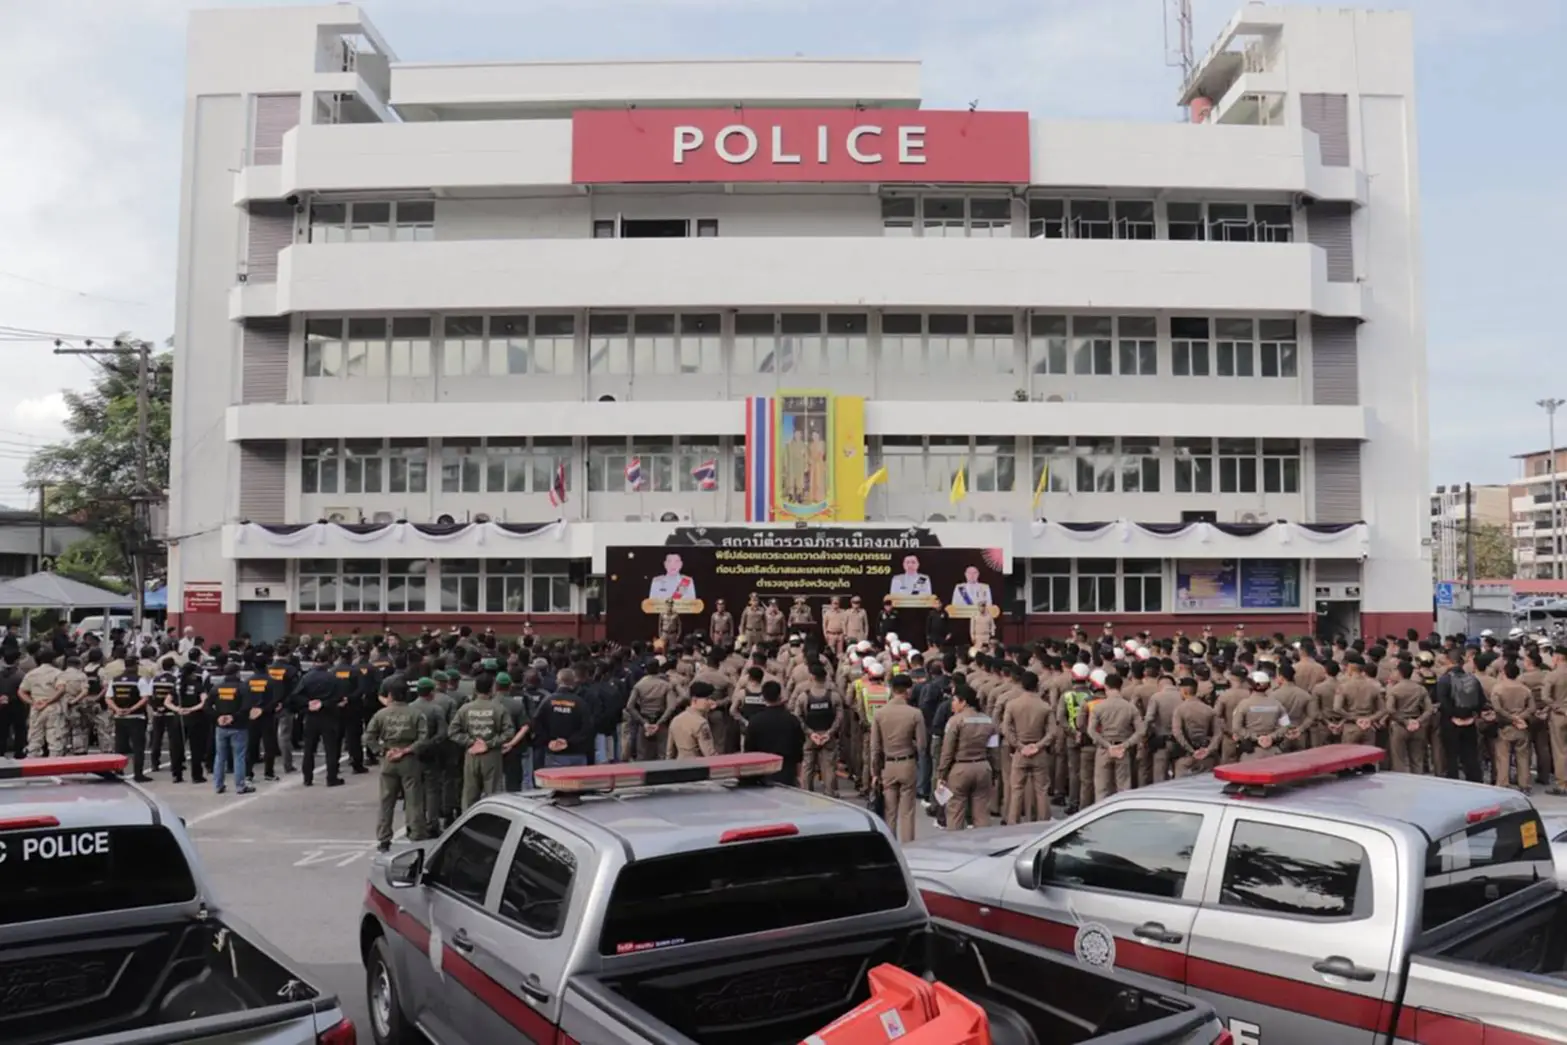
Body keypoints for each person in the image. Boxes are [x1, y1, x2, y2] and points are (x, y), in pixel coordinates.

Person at [364, 678, 431, 850]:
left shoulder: (381, 714)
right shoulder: (416, 714)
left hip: (389, 758)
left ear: (390, 695)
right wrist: (408, 750)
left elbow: (368, 737)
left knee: (386, 800)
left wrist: (382, 750)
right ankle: (416, 834)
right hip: (409, 759)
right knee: (414, 800)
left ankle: (384, 838)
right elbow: (424, 739)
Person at [871, 673, 926, 841]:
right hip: (907, 762)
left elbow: (875, 747)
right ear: (908, 691)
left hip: (888, 765)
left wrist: (875, 772)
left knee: (890, 811)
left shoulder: (880, 714)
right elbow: (922, 745)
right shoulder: (915, 713)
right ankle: (909, 846)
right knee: (907, 812)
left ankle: (891, 845)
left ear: (892, 690)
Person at [447, 673, 514, 810]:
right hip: (492, 756)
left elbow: (452, 732)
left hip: (471, 755)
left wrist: (471, 742)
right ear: (492, 689)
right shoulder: (499, 708)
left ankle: (468, 820)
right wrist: (489, 744)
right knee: (494, 795)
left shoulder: (465, 709)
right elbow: (509, 733)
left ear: (476, 689)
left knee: (470, 795)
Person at [936, 683, 996, 830]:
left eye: (954, 700)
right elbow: (994, 750)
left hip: (960, 769)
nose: (952, 704)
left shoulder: (955, 721)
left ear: (963, 702)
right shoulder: (988, 720)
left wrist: (941, 775)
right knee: (982, 813)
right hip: (983, 767)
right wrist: (994, 771)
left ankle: (956, 843)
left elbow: (947, 751)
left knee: (955, 812)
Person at [1001, 670, 1051, 824]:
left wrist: (1019, 746)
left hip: (1020, 752)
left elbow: (1006, 729)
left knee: (1016, 790)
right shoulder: (1045, 706)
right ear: (1037, 685)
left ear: (1022, 685)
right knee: (1042, 790)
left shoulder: (1012, 704)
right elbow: (1052, 732)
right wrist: (1038, 745)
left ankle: (1013, 824)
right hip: (1039, 753)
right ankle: (1044, 824)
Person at [1087, 672, 1144, 799]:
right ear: (1120, 687)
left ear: (1105, 686)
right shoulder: (1130, 707)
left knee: (1102, 789)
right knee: (1123, 788)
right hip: (1123, 750)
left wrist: (1107, 746)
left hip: (1104, 749)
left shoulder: (1099, 707)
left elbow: (1091, 731)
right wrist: (1125, 745)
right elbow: (1141, 731)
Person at [293, 654, 344, 788]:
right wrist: (324, 703)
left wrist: (308, 703)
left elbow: (296, 695)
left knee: (309, 748)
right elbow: (339, 697)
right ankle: (331, 778)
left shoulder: (306, 678)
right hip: (329, 715)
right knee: (330, 749)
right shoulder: (333, 678)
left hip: (311, 716)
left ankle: (307, 778)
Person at [741, 680, 804, 784]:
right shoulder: (792, 720)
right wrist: (799, 775)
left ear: (763, 697)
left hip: (762, 772)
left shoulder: (755, 721)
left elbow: (749, 750)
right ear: (780, 696)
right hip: (786, 771)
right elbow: (798, 749)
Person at [208, 660, 255, 795]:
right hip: (239, 726)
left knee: (220, 756)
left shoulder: (216, 688)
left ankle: (218, 785)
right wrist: (233, 717)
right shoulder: (243, 687)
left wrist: (218, 716)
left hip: (221, 727)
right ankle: (240, 786)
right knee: (239, 756)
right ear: (238, 673)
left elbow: (207, 706)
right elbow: (247, 707)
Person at [108, 656, 152, 782]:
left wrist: (117, 709)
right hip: (136, 717)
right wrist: (131, 709)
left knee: (120, 746)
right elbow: (145, 698)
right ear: (135, 666)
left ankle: (118, 772)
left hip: (119, 718)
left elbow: (108, 698)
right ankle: (138, 774)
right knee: (138, 747)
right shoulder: (139, 680)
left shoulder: (115, 680)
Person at [20, 650, 65, 757]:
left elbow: (21, 691)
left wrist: (32, 702)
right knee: (54, 739)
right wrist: (48, 701)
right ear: (53, 660)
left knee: (34, 738)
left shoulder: (31, 674)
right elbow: (61, 689)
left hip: (36, 707)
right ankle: (54, 764)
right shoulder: (57, 673)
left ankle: (32, 762)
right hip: (52, 707)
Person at [667, 680, 717, 758]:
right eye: (707, 699)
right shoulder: (701, 723)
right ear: (695, 700)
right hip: (697, 764)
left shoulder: (676, 720)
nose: (710, 702)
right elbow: (709, 753)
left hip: (680, 763)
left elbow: (670, 752)